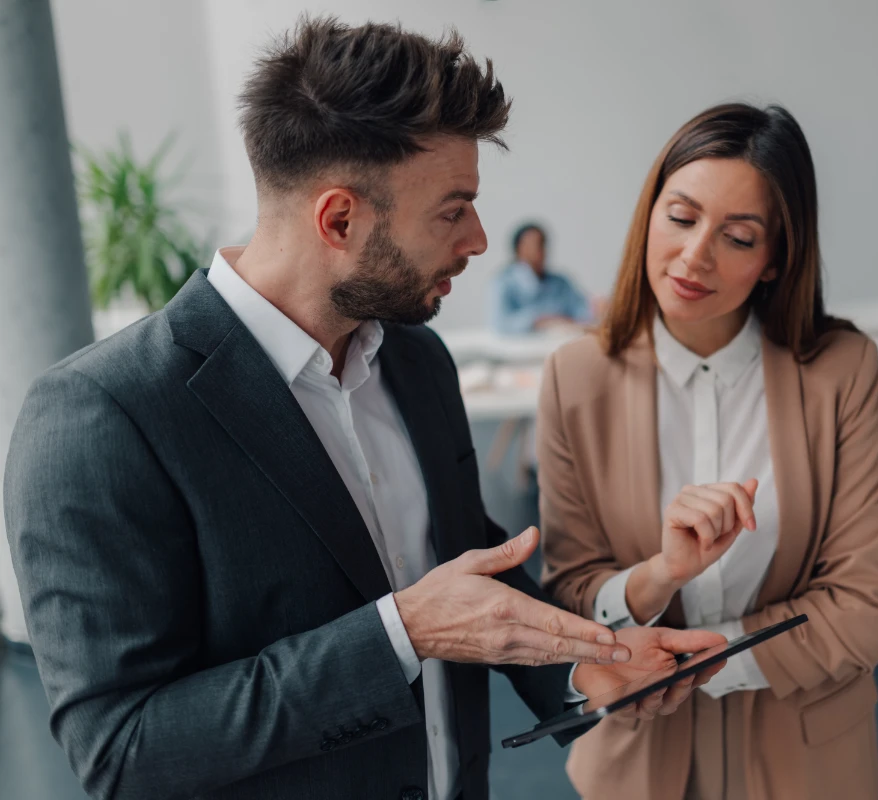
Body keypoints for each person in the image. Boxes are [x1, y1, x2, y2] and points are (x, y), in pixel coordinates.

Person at [3, 18, 724, 800]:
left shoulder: (416, 359)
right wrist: (402, 634)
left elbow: (455, 560)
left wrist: (588, 669)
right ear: (339, 220)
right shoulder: (97, 418)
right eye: (453, 211)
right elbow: (122, 750)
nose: (481, 239)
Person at [538, 103, 878, 800]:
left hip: (807, 754)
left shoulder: (842, 369)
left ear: (775, 260)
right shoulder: (575, 376)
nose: (694, 257)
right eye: (681, 218)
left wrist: (696, 660)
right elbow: (570, 592)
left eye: (738, 237)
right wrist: (659, 575)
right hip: (638, 756)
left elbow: (864, 601)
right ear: (651, 213)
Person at [490, 223, 598, 333]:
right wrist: (537, 320)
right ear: (519, 248)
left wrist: (594, 308)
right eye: (534, 244)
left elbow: (581, 312)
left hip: (556, 344)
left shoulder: (560, 282)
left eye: (542, 243)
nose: (540, 249)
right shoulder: (503, 282)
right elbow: (500, 323)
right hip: (520, 347)